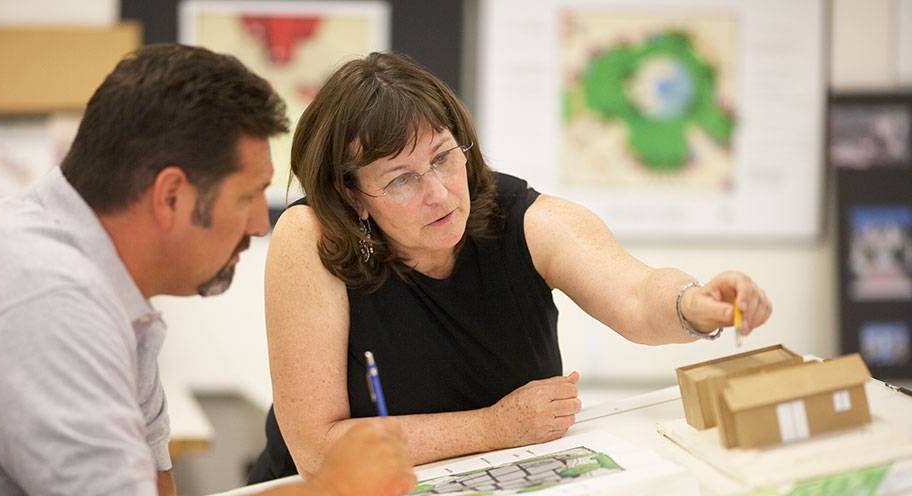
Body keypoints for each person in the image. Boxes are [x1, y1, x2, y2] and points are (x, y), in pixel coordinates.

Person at [0, 44, 414, 496]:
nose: (261, 225)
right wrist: (335, 490)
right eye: (246, 198)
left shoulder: (107, 284)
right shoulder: (44, 299)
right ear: (170, 195)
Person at [249, 51, 774, 483]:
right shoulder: (312, 238)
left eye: (442, 157)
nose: (438, 194)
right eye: (401, 179)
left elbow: (637, 296)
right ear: (352, 193)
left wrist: (696, 304)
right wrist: (496, 426)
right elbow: (320, 452)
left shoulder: (520, 216)